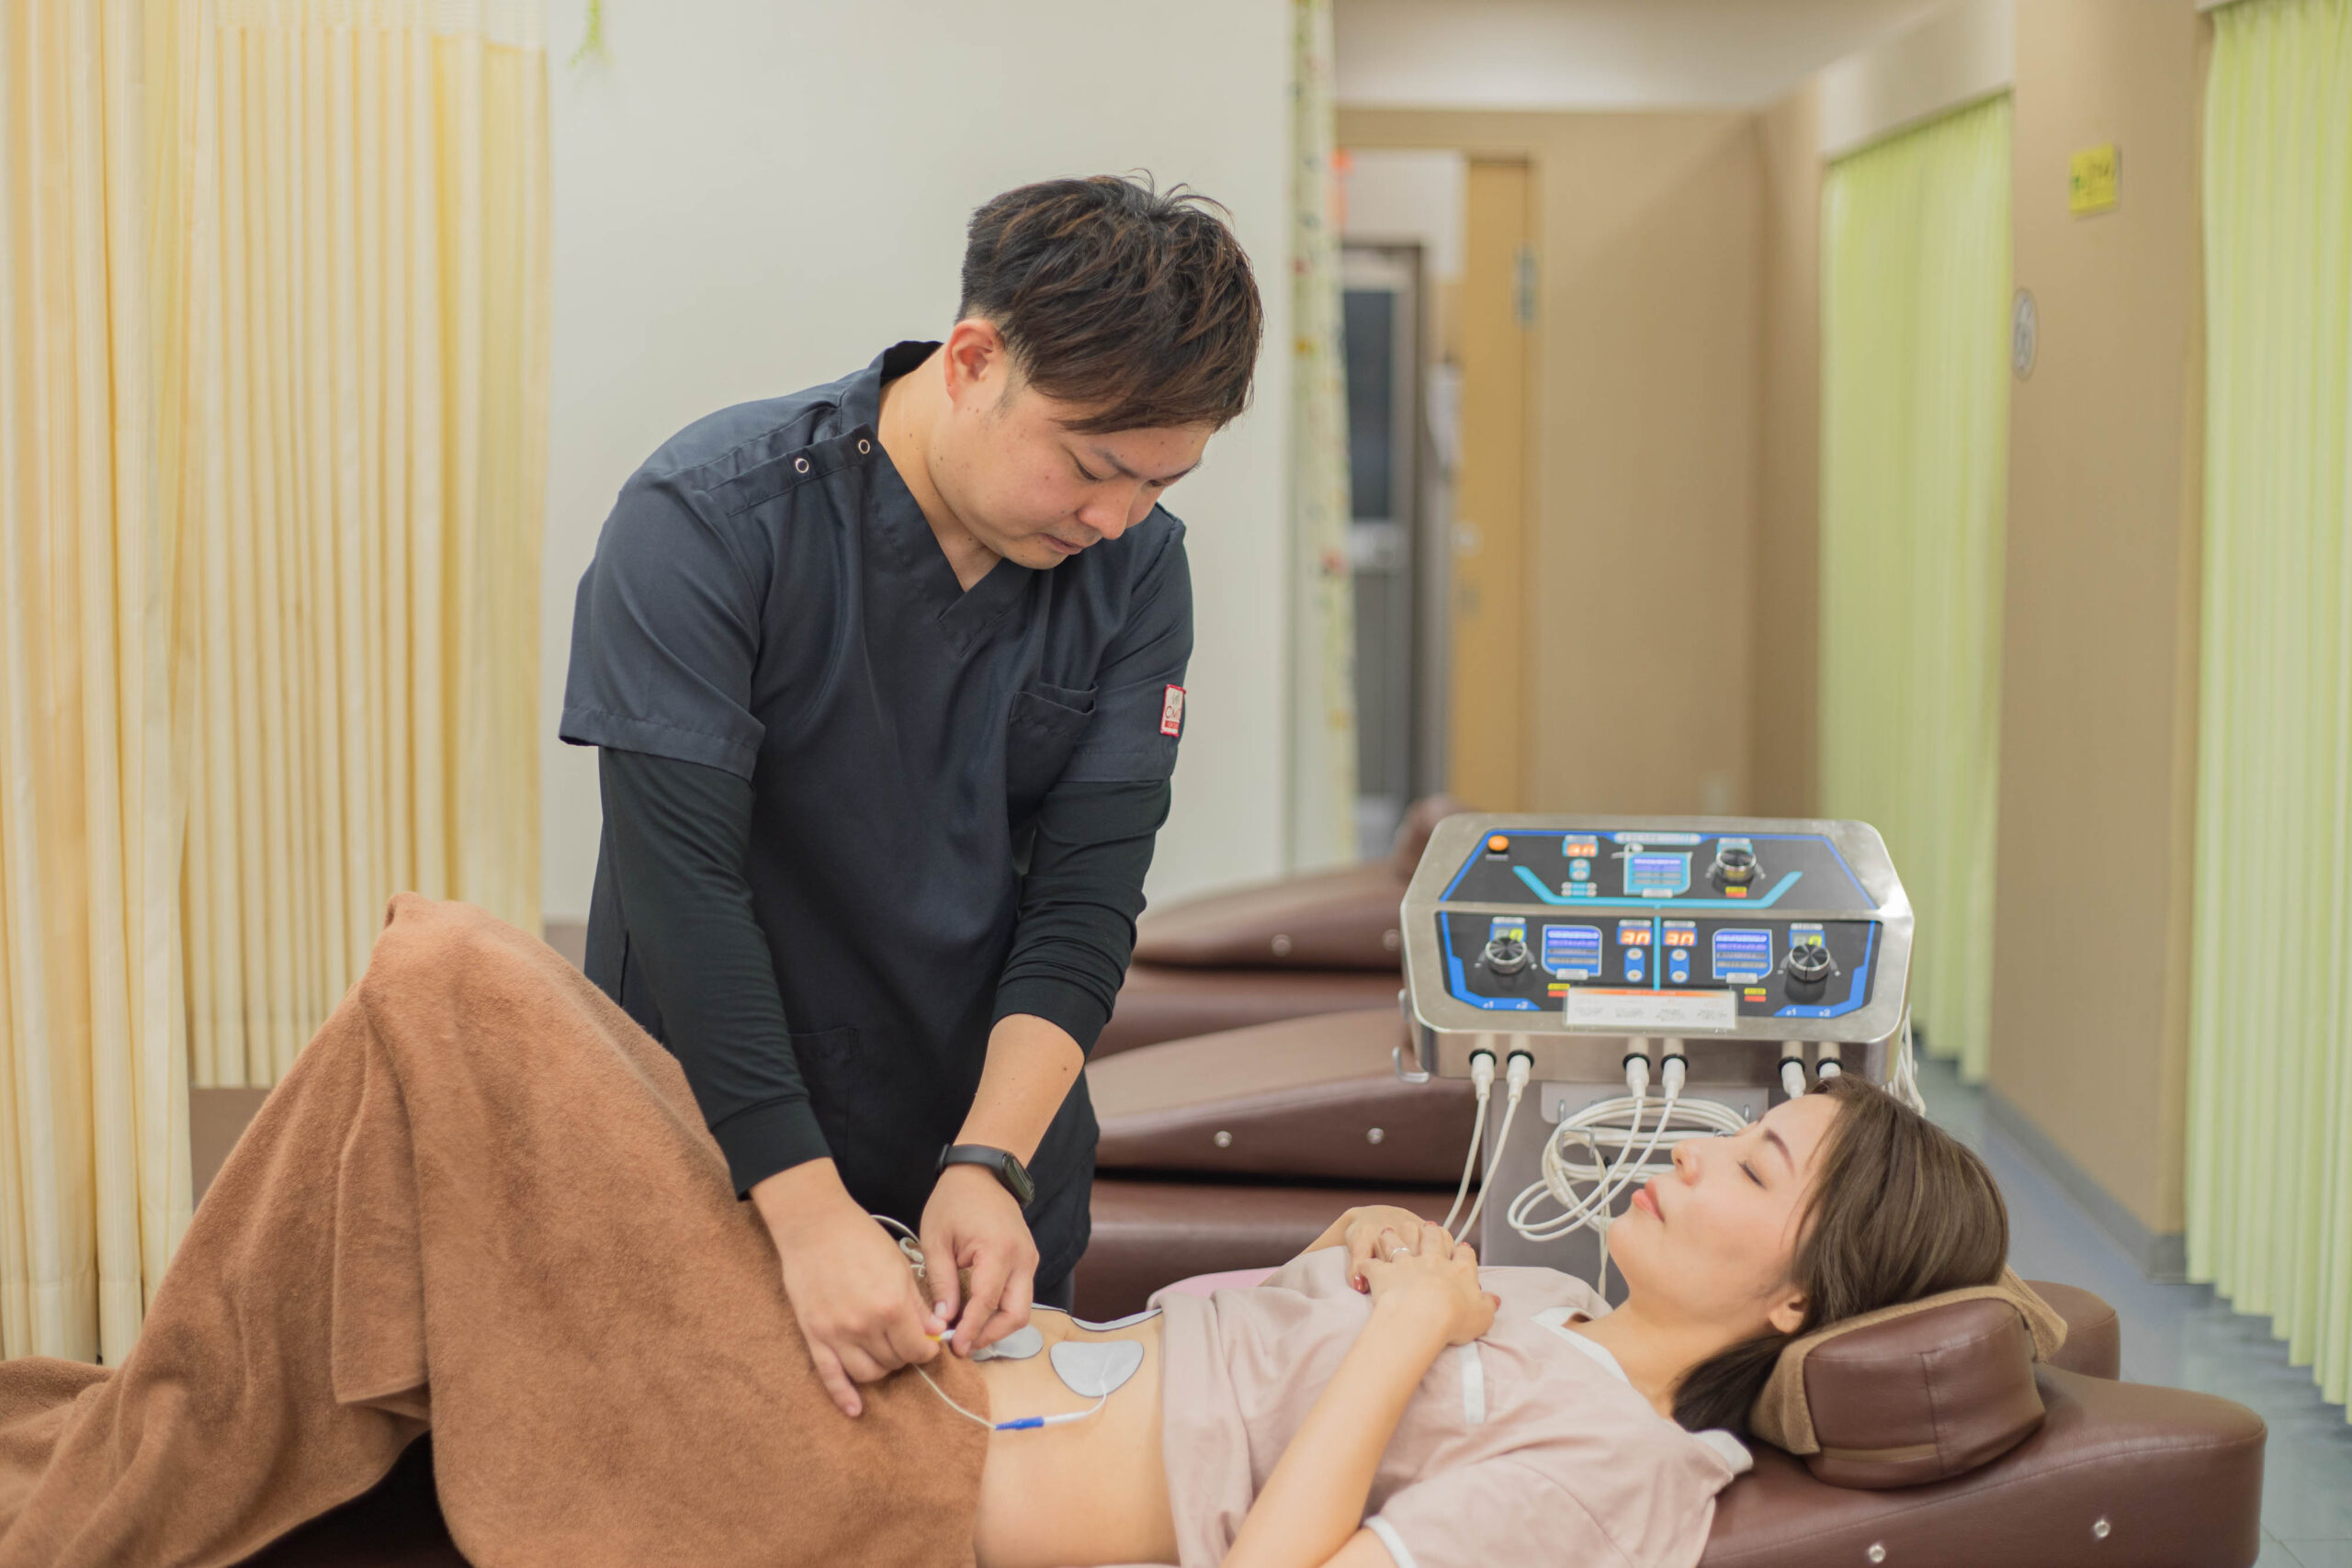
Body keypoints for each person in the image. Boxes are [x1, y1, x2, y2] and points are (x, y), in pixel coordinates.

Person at [559, 175, 1263, 1416]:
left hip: (981, 1148)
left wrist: (990, 1159)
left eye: (1162, 483)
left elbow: (1087, 901)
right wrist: (806, 1204)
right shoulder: (710, 519)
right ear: (976, 359)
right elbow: (686, 899)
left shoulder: (1137, 572)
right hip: (709, 1137)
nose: (1118, 518)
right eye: (1094, 466)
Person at [963, 1073, 2009, 1568]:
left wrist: (1410, 1323)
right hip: (960, 1351)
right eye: (1734, 1134)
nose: (1692, 1151)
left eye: (1750, 1167)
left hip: (937, 1463)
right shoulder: (1564, 1306)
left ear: (1798, 1301)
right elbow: (1264, 1400)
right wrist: (1334, 1249)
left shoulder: (1615, 1473)